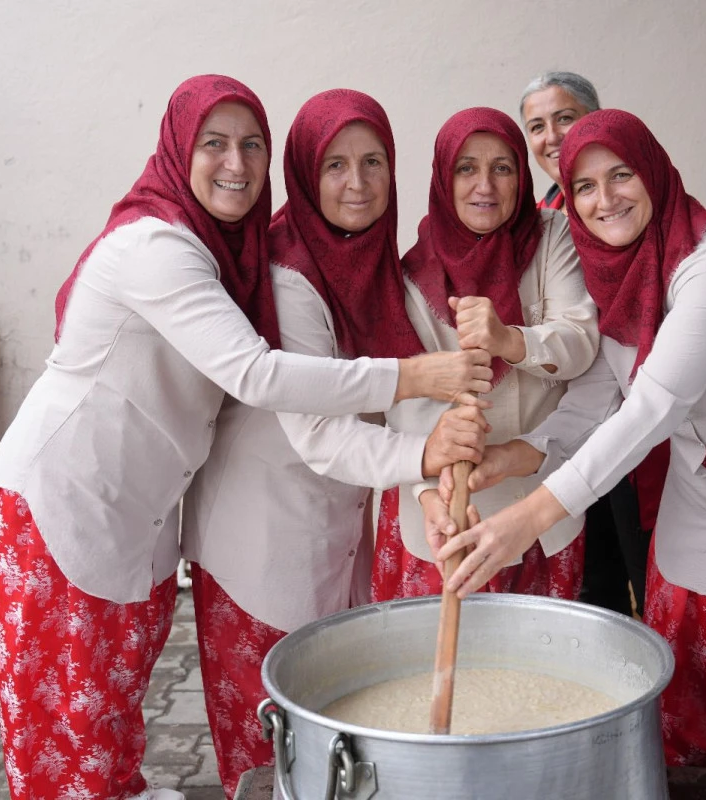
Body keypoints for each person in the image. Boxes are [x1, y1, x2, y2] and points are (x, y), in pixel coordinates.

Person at [0, 76, 491, 800]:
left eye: (252, 145)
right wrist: (413, 379)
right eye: (213, 144)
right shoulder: (159, 247)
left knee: (108, 723)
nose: (237, 164)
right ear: (177, 150)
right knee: (66, 733)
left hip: (143, 519)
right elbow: (258, 375)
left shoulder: (230, 252)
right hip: (66, 506)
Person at [436, 109, 706, 766]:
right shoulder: (612, 270)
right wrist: (515, 456)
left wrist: (529, 518)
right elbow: (598, 395)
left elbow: (655, 405)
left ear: (655, 174)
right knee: (677, 712)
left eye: (621, 176)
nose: (604, 198)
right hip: (705, 504)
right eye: (583, 186)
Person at [179, 88, 489, 798]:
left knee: (329, 733)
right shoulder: (291, 272)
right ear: (305, 174)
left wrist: (429, 482)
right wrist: (424, 459)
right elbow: (321, 430)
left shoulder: (376, 262)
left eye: (374, 161)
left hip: (334, 530)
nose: (358, 184)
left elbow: (404, 402)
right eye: (336, 165)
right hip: (257, 543)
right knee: (265, 753)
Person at [371, 107, 599, 601]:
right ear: (442, 176)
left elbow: (581, 341)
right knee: (430, 664)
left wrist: (508, 339)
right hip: (440, 516)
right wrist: (428, 495)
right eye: (466, 168)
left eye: (502, 167)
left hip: (538, 505)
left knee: (538, 666)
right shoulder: (410, 275)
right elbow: (401, 403)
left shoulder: (550, 238)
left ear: (521, 175)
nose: (485, 186)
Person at [519, 70, 664, 615]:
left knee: (647, 571)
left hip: (638, 425)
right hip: (566, 427)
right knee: (591, 582)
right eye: (537, 125)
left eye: (565, 118)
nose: (552, 136)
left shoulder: (632, 207)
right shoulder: (538, 225)